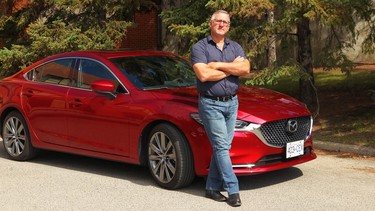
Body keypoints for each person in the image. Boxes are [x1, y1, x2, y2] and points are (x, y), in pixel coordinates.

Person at [190, 10, 250, 207]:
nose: (222, 24)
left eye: (225, 22)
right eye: (218, 21)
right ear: (211, 23)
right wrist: (231, 68)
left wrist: (217, 65)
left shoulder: (235, 47)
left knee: (222, 147)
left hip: (232, 103)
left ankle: (212, 187)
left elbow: (245, 69)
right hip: (210, 104)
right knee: (222, 147)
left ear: (229, 26)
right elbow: (204, 76)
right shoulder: (200, 47)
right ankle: (233, 190)